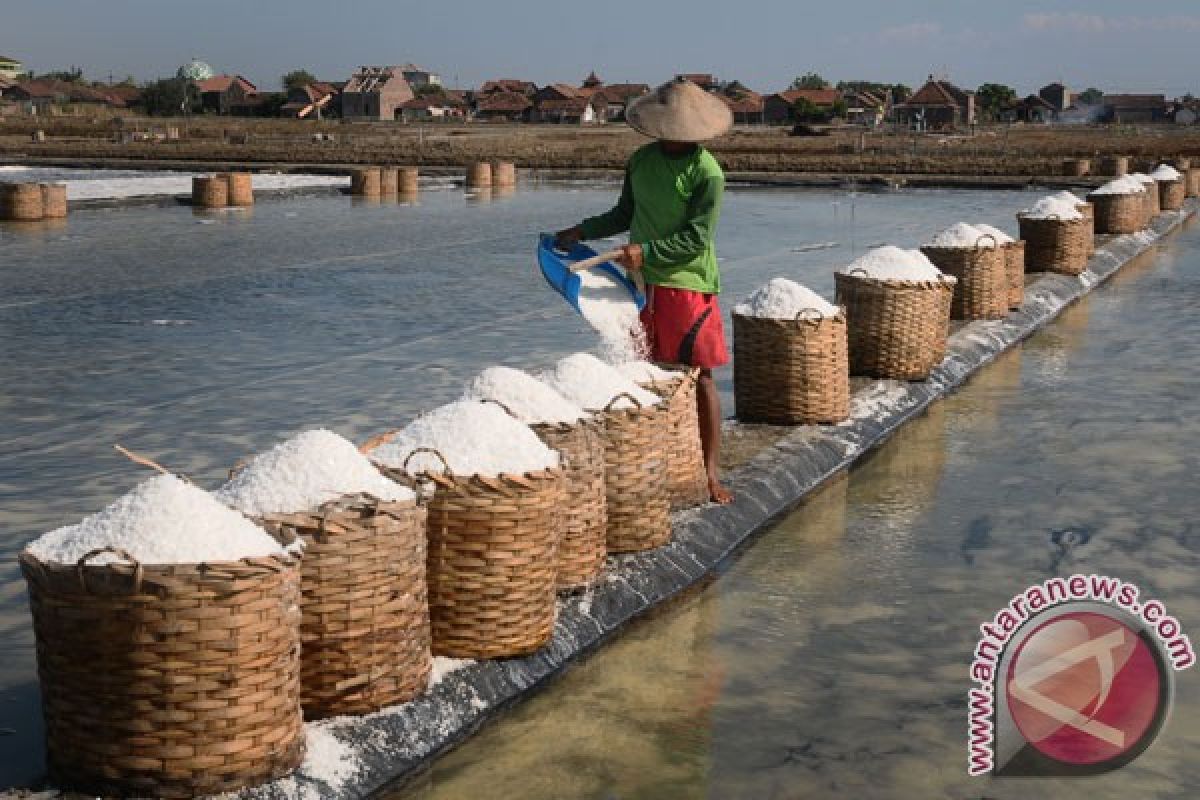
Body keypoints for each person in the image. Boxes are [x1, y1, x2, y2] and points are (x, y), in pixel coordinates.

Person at [556, 77, 734, 504]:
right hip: (641, 282)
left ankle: (710, 471)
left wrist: (647, 250)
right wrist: (581, 230)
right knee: (651, 371)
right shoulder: (640, 161)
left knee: (700, 375)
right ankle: (660, 466)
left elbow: (696, 237)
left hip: (687, 282)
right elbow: (624, 213)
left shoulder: (707, 172)